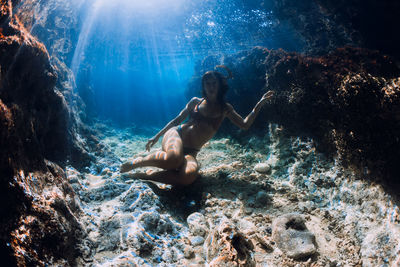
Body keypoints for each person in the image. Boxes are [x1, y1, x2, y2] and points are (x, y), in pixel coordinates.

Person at [120, 66, 274, 185]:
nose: (211, 86)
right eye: (207, 83)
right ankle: (138, 162)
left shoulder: (225, 108)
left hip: (191, 152)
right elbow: (175, 121)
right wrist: (156, 136)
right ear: (203, 86)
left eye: (214, 83)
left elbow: (245, 125)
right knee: (173, 159)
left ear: (219, 85)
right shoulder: (195, 101)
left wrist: (259, 104)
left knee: (188, 177)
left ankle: (146, 176)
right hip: (176, 135)